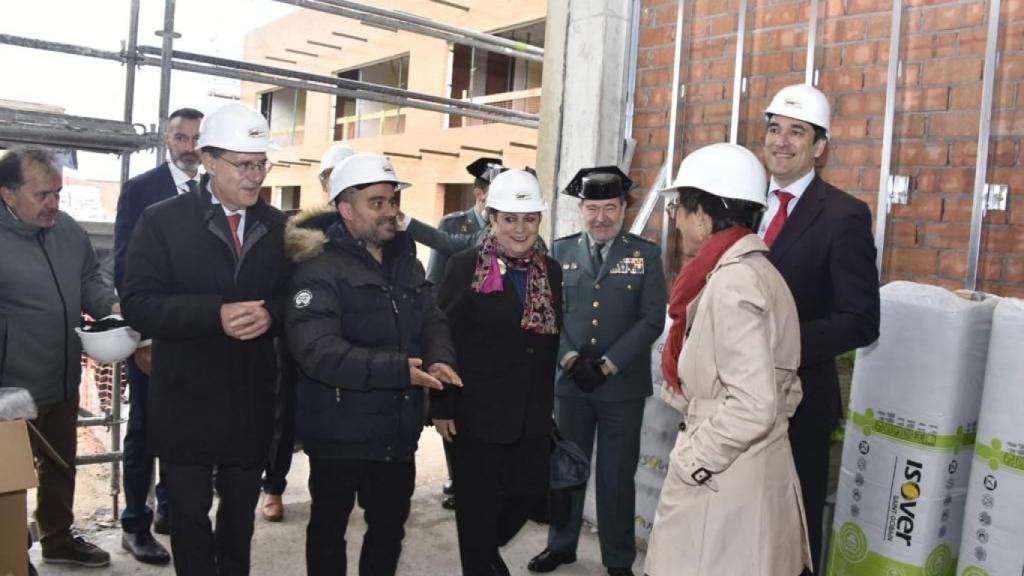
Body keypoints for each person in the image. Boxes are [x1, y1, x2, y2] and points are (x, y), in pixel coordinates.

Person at [121, 103, 290, 576]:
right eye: (244, 164)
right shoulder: (162, 221)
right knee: (189, 520)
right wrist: (212, 314)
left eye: (261, 164)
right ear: (209, 160)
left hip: (250, 397)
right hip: (187, 398)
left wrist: (273, 316)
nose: (255, 176)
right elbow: (138, 303)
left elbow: (296, 299)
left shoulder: (278, 228)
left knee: (239, 522)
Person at [285, 153, 460, 576]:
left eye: (393, 201)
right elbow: (316, 350)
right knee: (329, 530)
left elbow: (432, 317)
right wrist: (397, 369)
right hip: (338, 429)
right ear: (346, 210)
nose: (391, 212)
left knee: (389, 529)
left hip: (395, 430)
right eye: (377, 203)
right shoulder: (318, 267)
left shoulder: (406, 260)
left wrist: (439, 359)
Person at [645, 142, 810, 576]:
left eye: (679, 207)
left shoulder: (732, 283)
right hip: (749, 469)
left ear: (702, 214)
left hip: (724, 483)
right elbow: (786, 389)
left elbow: (755, 404)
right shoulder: (760, 272)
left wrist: (693, 460)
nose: (677, 221)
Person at [761, 84, 880, 573]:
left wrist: (778, 347)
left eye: (797, 131)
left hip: (801, 403)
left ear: (819, 147)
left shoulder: (842, 216)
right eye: (774, 129)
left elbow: (861, 320)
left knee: (796, 529)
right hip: (739, 401)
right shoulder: (744, 204)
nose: (782, 141)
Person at [529, 167, 665, 576]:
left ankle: (618, 559)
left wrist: (607, 365)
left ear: (625, 208)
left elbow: (651, 319)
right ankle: (561, 545)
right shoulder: (560, 251)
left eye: (610, 208)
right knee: (566, 468)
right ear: (581, 210)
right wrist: (570, 359)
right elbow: (546, 313)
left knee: (616, 476)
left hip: (620, 387)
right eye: (593, 208)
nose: (601, 217)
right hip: (570, 384)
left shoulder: (646, 254)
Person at [430, 169, 563, 576]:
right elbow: (441, 337)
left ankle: (486, 550)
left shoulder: (552, 271)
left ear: (540, 219)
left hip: (531, 413)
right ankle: (482, 562)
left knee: (527, 493)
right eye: (510, 218)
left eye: (529, 218)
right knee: (475, 504)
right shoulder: (465, 266)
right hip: (475, 412)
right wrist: (442, 403)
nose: (520, 229)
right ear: (492, 217)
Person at [0, 148, 118, 569]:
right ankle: (10, 552)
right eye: (42, 195)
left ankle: (58, 539)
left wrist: (112, 308)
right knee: (7, 480)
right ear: (8, 195)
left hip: (63, 375)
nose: (54, 204)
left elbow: (89, 280)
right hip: (10, 390)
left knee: (61, 466)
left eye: (58, 193)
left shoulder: (68, 231)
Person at [114, 106, 204, 564]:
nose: (189, 148)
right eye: (181, 138)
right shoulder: (141, 190)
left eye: (196, 139)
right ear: (166, 141)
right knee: (146, 428)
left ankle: (171, 507)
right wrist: (145, 337)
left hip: (199, 335)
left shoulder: (214, 189)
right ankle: (135, 522)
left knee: (186, 423)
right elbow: (127, 268)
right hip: (155, 334)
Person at [259, 142, 354, 524]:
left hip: (345, 340)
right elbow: (279, 285)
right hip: (295, 338)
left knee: (333, 418)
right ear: (324, 182)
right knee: (285, 415)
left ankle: (329, 490)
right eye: (334, 177)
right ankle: (274, 487)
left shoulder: (369, 230)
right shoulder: (302, 229)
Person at [405, 156, 502, 510]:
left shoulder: (503, 227)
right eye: (492, 194)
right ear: (478, 193)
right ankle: (455, 474)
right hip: (454, 327)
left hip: (489, 331)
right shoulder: (455, 224)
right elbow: (435, 278)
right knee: (452, 404)